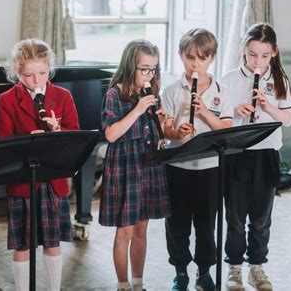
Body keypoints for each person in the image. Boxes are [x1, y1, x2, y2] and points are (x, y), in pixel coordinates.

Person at [0, 39, 79, 291]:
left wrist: (58, 131)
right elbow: (3, 143)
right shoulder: (7, 99)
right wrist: (28, 141)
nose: (36, 81)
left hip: (53, 181)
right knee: (23, 244)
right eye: (28, 75)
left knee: (53, 242)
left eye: (42, 73)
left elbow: (76, 137)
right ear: (16, 73)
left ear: (49, 68)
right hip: (23, 181)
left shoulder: (62, 96)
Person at [221, 23, 291, 291]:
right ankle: (235, 267)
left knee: (262, 218)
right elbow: (219, 122)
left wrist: (269, 106)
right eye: (252, 54)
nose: (258, 61)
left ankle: (257, 266)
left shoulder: (280, 81)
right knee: (236, 217)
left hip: (267, 155)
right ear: (243, 50)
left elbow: (287, 120)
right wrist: (237, 112)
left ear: (274, 53)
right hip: (238, 154)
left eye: (264, 55)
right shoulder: (228, 79)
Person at [161, 28, 233, 291]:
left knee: (206, 224)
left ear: (211, 58)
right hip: (178, 166)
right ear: (181, 56)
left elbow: (225, 129)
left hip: (209, 168)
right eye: (190, 57)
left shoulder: (221, 91)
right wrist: (176, 131)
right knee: (177, 223)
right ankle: (180, 272)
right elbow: (164, 128)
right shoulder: (170, 91)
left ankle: (204, 272)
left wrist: (204, 114)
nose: (195, 64)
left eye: (201, 58)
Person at [99, 39, 171, 291]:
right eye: (144, 69)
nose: (149, 75)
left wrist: (164, 123)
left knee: (142, 229)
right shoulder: (114, 94)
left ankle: (139, 283)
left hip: (149, 165)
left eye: (153, 69)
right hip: (126, 167)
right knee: (125, 231)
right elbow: (111, 134)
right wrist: (139, 110)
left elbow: (159, 133)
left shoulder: (151, 95)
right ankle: (123, 284)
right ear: (131, 67)